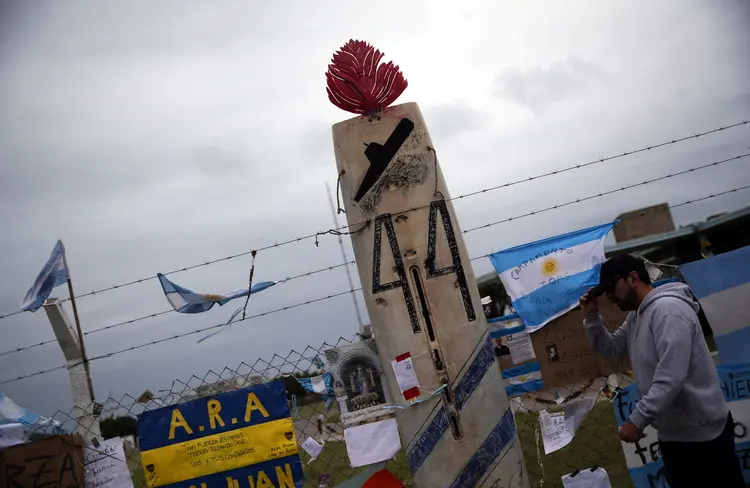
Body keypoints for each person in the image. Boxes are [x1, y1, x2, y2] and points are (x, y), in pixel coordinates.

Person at [579, 254, 744, 487]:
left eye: (611, 288)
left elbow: (671, 376)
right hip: (676, 434)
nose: (609, 296)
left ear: (633, 278)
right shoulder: (637, 316)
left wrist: (637, 420)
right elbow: (612, 348)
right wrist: (591, 316)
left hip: (704, 435)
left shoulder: (668, 311)